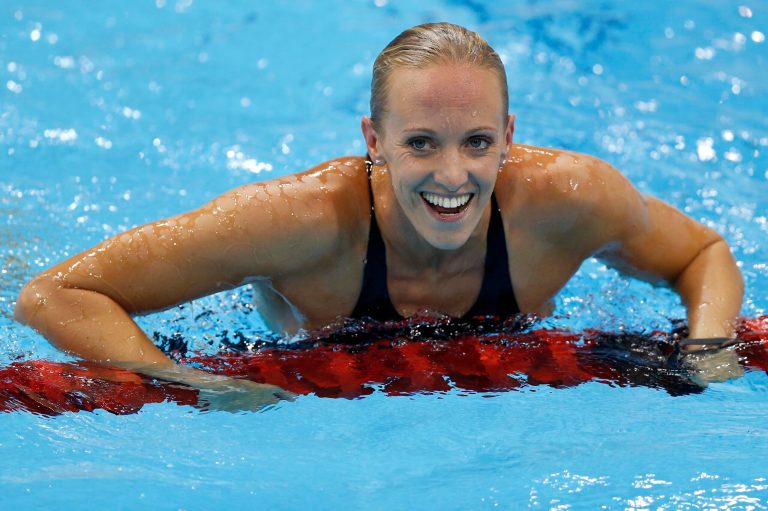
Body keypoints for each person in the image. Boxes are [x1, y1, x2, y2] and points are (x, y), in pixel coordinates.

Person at [14, 22, 744, 408]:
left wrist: (709, 347)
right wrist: (188, 384)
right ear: (374, 141)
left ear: (510, 137)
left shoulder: (570, 200)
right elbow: (53, 294)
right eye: (421, 143)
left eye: (478, 143)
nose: (453, 177)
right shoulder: (297, 220)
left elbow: (701, 253)